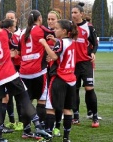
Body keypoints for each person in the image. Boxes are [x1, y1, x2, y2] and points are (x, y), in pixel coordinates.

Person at [0, 12, 52, 142]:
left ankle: (0, 138)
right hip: (9, 73)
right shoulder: (4, 33)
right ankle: (38, 126)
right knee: (24, 98)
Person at [39, 19, 78, 142]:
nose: (54, 30)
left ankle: (48, 137)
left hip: (59, 78)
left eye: (56, 28)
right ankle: (66, 138)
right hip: (71, 79)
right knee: (67, 109)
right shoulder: (72, 41)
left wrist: (45, 44)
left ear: (64, 31)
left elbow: (55, 56)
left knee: (50, 108)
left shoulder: (60, 42)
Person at [18, 10, 54, 139]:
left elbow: (19, 51)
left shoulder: (22, 32)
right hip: (38, 71)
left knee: (27, 102)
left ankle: (26, 130)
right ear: (39, 18)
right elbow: (55, 33)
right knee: (42, 100)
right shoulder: (41, 30)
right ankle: (41, 127)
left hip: (23, 72)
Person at [71, 2, 100, 128]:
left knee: (89, 88)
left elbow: (95, 43)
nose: (73, 15)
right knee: (74, 90)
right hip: (72, 64)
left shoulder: (89, 27)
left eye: (75, 12)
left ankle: (94, 116)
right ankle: (76, 116)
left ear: (81, 14)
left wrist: (93, 53)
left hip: (86, 63)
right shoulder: (70, 27)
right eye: (72, 13)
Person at [44, 9, 63, 138]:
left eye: (53, 19)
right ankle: (48, 125)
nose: (50, 22)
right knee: (48, 99)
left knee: (58, 99)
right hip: (46, 70)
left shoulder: (62, 34)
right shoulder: (43, 33)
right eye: (48, 19)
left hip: (59, 72)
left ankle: (57, 126)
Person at [3, 11, 23, 131]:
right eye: (8, 18)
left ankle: (20, 122)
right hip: (7, 69)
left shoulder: (21, 34)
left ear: (16, 20)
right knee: (8, 96)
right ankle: (11, 121)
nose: (10, 20)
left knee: (19, 96)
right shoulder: (3, 35)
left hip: (19, 68)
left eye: (12, 18)